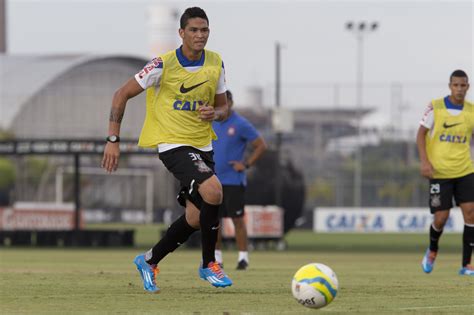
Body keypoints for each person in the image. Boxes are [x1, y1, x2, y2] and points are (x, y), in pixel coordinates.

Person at [101, 7, 233, 292]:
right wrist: (113, 140)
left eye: (205, 30)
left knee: (196, 218)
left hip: (204, 146)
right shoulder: (162, 64)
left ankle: (148, 260)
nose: (200, 35)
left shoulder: (216, 62)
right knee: (214, 191)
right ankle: (209, 264)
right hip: (173, 143)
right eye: (194, 30)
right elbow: (120, 94)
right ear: (181, 33)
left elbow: (224, 107)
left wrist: (217, 114)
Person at [417, 69, 474, 276]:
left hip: (465, 170)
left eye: (463, 85)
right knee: (441, 218)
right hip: (439, 172)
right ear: (450, 86)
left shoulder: (472, 111)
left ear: (468, 87)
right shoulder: (436, 107)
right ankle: (432, 250)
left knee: (471, 213)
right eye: (456, 85)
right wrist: (424, 161)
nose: (459, 89)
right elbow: (421, 134)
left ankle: (466, 264)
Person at [212, 90, 267, 270]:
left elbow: (261, 145)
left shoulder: (240, 124)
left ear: (231, 103)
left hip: (233, 180)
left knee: (237, 219)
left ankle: (243, 257)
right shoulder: (209, 122)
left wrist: (246, 164)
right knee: (214, 220)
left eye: (223, 102)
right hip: (213, 180)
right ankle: (216, 258)